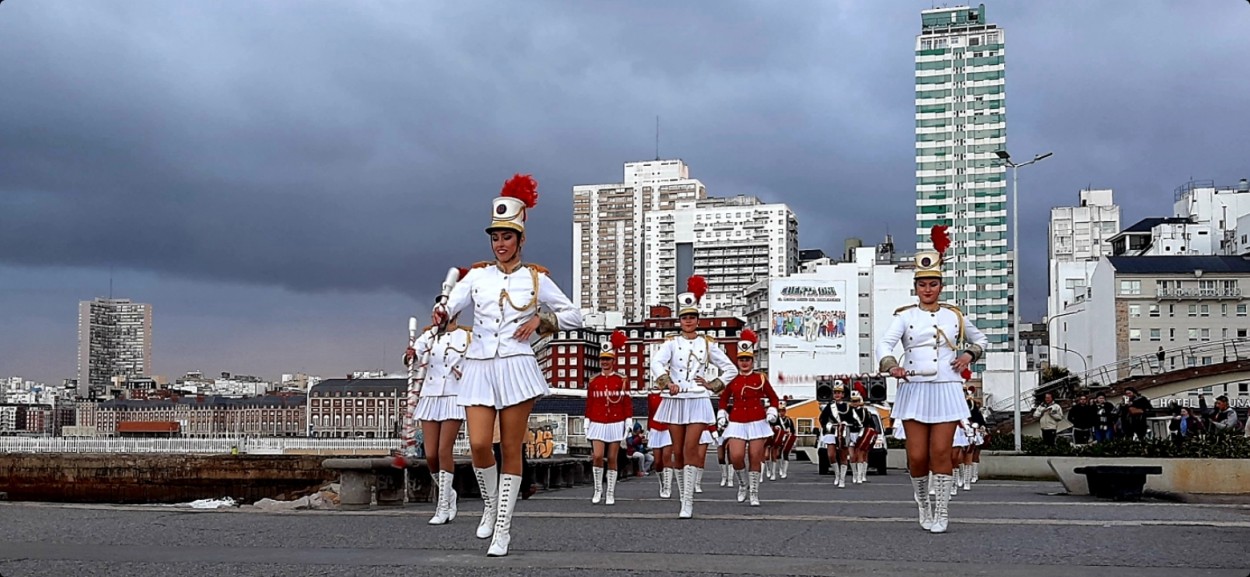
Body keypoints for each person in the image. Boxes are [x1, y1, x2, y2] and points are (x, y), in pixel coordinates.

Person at [434, 174, 583, 557]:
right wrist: (441, 309)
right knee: (481, 444)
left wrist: (544, 321)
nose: (500, 244)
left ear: (520, 239)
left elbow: (575, 315)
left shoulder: (536, 280)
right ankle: (489, 505)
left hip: (517, 366)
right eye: (495, 237)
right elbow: (451, 306)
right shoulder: (477, 276)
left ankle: (503, 528)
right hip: (480, 364)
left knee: (511, 448)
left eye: (507, 237)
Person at [876, 225, 988, 534]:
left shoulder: (956, 316)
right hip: (914, 388)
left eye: (933, 284)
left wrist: (968, 355)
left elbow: (982, 340)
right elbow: (884, 345)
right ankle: (923, 502)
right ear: (916, 287)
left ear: (940, 286)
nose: (928, 289)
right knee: (916, 456)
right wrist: (890, 365)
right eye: (923, 284)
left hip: (947, 388)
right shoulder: (905, 316)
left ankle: (942, 511)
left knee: (941, 452)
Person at [651, 275, 738, 519]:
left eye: (692, 317)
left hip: (698, 399)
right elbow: (656, 362)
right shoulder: (671, 343)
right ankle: (682, 496)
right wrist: (667, 382)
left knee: (690, 448)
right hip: (675, 400)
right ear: (680, 321)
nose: (688, 321)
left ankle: (687, 502)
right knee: (676, 452)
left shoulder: (708, 344)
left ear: (698, 320)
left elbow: (730, 368)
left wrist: (714, 384)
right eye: (685, 317)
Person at [402, 308, 471, 526]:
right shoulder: (429, 335)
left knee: (444, 450)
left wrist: (464, 373)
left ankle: (442, 506)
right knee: (431, 455)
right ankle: (448, 493)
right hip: (431, 395)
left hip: (453, 395)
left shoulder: (467, 336)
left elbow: (475, 363)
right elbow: (411, 356)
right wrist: (409, 355)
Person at [717, 329, 779, 507]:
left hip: (757, 421)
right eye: (742, 359)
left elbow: (773, 397)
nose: (744, 363)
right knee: (735, 456)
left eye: (748, 359)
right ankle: (743, 484)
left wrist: (772, 411)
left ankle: (754, 492)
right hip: (736, 421)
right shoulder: (732, 379)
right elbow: (723, 399)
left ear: (753, 360)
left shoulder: (760, 378)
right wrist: (722, 414)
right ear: (737, 361)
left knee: (755, 456)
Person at [585, 331, 630, 505]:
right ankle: (598, 489)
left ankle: (610, 492)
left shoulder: (621, 379)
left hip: (616, 420)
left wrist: (628, 419)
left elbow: (626, 400)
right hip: (597, 420)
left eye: (608, 359)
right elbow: (590, 401)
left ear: (613, 360)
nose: (605, 362)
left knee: (612, 458)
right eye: (602, 359)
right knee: (597, 456)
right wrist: (587, 419)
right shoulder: (594, 380)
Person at [818, 382, 855, 488]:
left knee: (843, 455)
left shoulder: (848, 407)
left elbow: (853, 420)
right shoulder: (830, 406)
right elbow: (822, 419)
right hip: (831, 431)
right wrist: (828, 425)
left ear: (843, 394)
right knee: (831, 455)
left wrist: (846, 424)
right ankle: (837, 475)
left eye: (839, 392)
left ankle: (842, 479)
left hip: (843, 431)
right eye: (835, 393)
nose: (837, 395)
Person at [646, 392, 674, 498]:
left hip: (668, 428)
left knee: (666, 457)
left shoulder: (671, 394)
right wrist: (648, 429)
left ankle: (668, 487)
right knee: (658, 462)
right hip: (655, 428)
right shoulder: (651, 395)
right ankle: (662, 484)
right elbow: (650, 413)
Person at [847, 391, 874, 485]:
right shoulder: (847, 411)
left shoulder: (865, 412)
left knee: (861, 455)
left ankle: (860, 475)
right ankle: (854, 474)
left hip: (861, 433)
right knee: (851, 456)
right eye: (853, 401)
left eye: (857, 401)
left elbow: (869, 424)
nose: (855, 403)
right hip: (850, 434)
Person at [773, 401, 798, 479]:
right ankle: (781, 467)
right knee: (778, 454)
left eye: (783, 411)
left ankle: (784, 471)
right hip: (779, 438)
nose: (781, 413)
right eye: (779, 411)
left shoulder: (789, 420)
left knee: (786, 453)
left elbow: (793, 430)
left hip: (787, 438)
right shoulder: (776, 420)